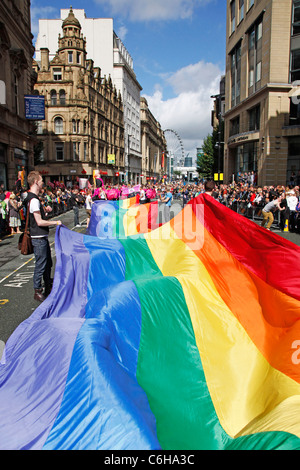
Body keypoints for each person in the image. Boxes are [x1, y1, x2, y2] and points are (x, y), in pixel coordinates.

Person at [24, 171, 62, 302]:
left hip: (41, 237)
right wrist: (55, 222)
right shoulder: (33, 200)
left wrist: (45, 211)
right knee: (41, 264)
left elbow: (39, 217)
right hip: (38, 238)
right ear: (35, 182)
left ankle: (48, 285)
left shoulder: (34, 199)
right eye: (41, 182)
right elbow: (39, 222)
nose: (42, 184)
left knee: (48, 263)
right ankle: (37, 290)